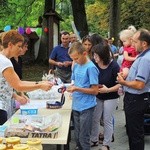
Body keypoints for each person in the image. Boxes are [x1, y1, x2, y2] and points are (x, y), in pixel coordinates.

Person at [0, 30, 53, 125]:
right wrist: (40, 85)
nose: (20, 49)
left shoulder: (3, 59)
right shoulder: (5, 62)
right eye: (19, 46)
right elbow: (18, 85)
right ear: (10, 45)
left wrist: (39, 83)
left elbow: (17, 82)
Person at [117, 29, 150, 150]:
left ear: (144, 43)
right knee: (133, 132)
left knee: (135, 134)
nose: (133, 44)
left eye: (135, 42)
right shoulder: (143, 57)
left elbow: (140, 84)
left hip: (136, 99)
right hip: (135, 98)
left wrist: (123, 82)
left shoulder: (145, 59)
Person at [67, 41, 99, 150]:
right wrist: (71, 88)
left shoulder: (91, 68)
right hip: (76, 105)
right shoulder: (76, 65)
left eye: (76, 58)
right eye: (72, 59)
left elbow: (95, 91)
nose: (74, 61)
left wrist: (76, 88)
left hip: (87, 106)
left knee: (83, 137)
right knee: (77, 136)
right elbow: (74, 81)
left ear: (84, 54)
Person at [90, 42, 120, 150]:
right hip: (98, 95)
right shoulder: (93, 63)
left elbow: (120, 83)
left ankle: (106, 144)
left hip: (111, 95)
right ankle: (94, 139)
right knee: (95, 117)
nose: (94, 57)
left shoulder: (114, 66)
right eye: (93, 55)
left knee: (107, 119)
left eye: (96, 55)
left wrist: (107, 90)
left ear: (103, 56)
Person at [10, 34, 29, 110]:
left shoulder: (19, 59)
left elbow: (18, 80)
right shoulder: (8, 61)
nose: (26, 49)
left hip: (11, 94)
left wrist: (22, 93)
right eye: (25, 46)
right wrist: (16, 96)